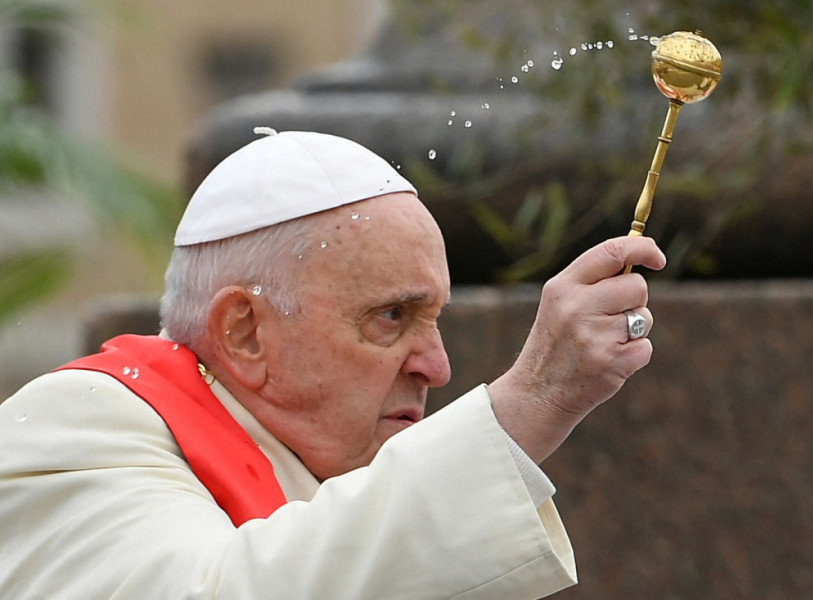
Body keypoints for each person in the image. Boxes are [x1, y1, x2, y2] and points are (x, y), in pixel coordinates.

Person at [0, 130, 665, 599]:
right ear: (245, 334)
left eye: (435, 320)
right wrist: (528, 406)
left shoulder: (338, 480)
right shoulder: (80, 428)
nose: (436, 366)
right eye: (390, 317)